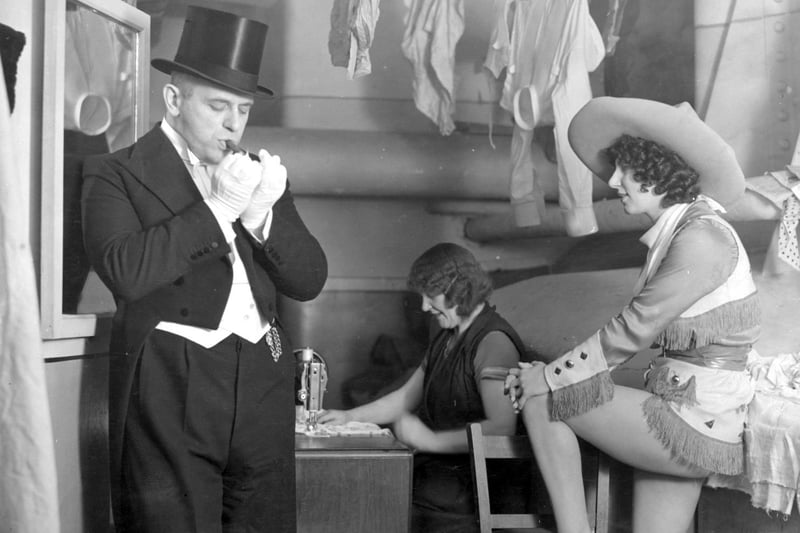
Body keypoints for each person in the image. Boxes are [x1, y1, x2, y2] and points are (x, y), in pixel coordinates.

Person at [80, 7, 327, 532]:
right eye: (218, 106)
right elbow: (126, 272)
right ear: (174, 99)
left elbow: (308, 280)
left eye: (242, 108)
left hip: (262, 373)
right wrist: (217, 208)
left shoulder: (257, 177)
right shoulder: (115, 172)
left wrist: (262, 216)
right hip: (174, 377)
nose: (233, 123)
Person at [505, 96, 760, 533]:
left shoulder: (702, 239)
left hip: (692, 422)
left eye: (628, 169)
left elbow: (630, 331)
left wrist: (547, 377)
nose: (615, 180)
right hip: (690, 411)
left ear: (661, 172)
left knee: (540, 399)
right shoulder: (686, 229)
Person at [318, 242, 533, 532]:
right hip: (444, 474)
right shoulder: (448, 337)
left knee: (370, 494)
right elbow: (406, 397)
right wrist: (347, 417)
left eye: (430, 296)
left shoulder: (493, 341)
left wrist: (430, 441)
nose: (423, 306)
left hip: (475, 487)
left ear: (460, 290)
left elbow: (501, 427)